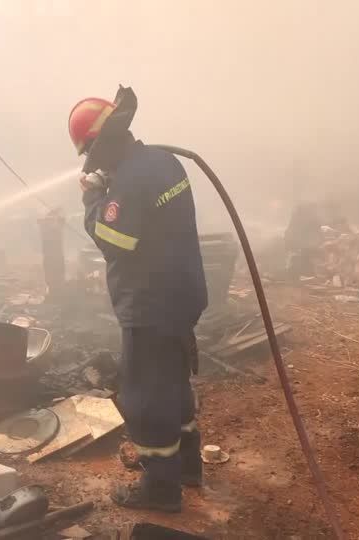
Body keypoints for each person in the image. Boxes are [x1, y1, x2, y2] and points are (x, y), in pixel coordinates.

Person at [68, 94, 208, 512]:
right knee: (174, 383)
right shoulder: (164, 162)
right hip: (181, 296)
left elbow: (115, 241)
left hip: (150, 305)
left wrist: (93, 198)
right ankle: (187, 466)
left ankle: (160, 487)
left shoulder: (128, 182)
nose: (92, 164)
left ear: (103, 145)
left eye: (91, 155)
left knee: (145, 397)